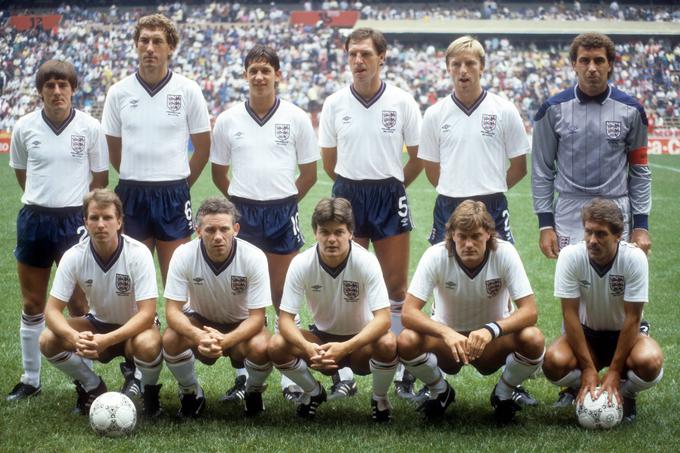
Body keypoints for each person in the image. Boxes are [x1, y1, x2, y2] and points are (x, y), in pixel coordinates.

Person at [318, 27, 422, 399]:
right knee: (346, 286)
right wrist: (353, 189)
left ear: (382, 57)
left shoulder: (402, 101)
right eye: (352, 55)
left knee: (396, 287)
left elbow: (418, 155)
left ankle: (400, 372)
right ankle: (342, 372)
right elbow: (329, 163)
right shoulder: (334, 104)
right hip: (347, 196)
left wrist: (393, 185)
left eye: (365, 54)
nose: (358, 61)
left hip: (389, 195)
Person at [211, 44, 318, 403]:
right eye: (253, 70)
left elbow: (309, 173)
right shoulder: (228, 120)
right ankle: (243, 375)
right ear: (245, 75)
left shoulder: (296, 117)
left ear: (278, 75)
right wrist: (242, 202)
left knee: (283, 295)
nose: (259, 76)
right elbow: (217, 172)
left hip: (282, 212)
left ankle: (290, 375)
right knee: (242, 296)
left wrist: (285, 200)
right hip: (242, 212)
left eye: (266, 70)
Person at [7, 60, 108, 402]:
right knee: (33, 302)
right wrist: (44, 199)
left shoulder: (90, 127)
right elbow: (22, 173)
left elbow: (100, 178)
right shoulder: (24, 127)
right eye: (49, 85)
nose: (56, 91)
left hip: (74, 223)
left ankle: (85, 380)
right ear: (41, 91)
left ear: (73, 89)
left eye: (63, 85)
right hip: (35, 219)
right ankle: (31, 378)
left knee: (79, 302)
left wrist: (76, 209)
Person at [398, 200, 545, 423]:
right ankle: (440, 391)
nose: (468, 244)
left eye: (475, 236)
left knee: (533, 338)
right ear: (451, 235)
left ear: (488, 234)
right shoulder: (436, 255)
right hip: (449, 346)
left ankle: (503, 394)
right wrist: (446, 333)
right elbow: (408, 312)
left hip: (491, 343)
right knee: (407, 340)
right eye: (462, 236)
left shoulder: (504, 253)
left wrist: (491, 330)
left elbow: (530, 311)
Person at [101, 13, 211, 284]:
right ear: (136, 45)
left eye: (157, 42)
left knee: (177, 279)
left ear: (170, 47)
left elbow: (203, 148)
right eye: (144, 41)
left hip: (173, 194)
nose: (150, 48)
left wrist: (181, 184)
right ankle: (142, 325)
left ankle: (178, 326)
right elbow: (113, 148)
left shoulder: (188, 89)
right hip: (131, 193)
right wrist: (136, 173)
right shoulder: (119, 92)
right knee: (128, 279)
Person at [268, 198, 398, 422]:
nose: (331, 239)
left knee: (387, 342)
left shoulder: (366, 261)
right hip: (322, 342)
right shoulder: (301, 263)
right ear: (315, 232)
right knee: (277, 344)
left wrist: (346, 347)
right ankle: (313, 392)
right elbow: (286, 319)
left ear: (350, 232)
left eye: (338, 232)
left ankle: (380, 399)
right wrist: (308, 348)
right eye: (324, 232)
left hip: (360, 343)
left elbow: (384, 319)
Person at [38, 189, 162, 416]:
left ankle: (148, 390)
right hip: (97, 324)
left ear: (119, 221)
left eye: (107, 217)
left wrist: (107, 340)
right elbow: (52, 311)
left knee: (149, 345)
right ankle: (92, 385)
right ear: (85, 222)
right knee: (48, 339)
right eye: (94, 218)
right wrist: (74, 337)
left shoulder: (138, 253)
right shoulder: (74, 255)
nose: (101, 224)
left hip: (136, 328)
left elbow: (147, 313)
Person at [542, 198, 663, 422]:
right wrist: (588, 368)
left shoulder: (634, 258)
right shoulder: (570, 256)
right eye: (588, 232)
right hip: (587, 334)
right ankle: (582, 387)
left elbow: (633, 318)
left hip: (626, 334)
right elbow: (569, 314)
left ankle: (626, 393)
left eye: (601, 234)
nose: (592, 240)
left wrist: (615, 371)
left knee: (650, 362)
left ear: (618, 235)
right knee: (552, 362)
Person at [532, 32, 651, 258]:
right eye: (585, 60)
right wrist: (545, 224)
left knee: (616, 285)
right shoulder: (551, 110)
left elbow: (640, 171)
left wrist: (641, 226)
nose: (592, 67)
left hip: (616, 208)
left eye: (599, 60)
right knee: (573, 286)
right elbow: (542, 170)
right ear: (574, 65)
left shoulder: (632, 111)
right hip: (569, 210)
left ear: (611, 65)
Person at [162, 197, 273, 419]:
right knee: (171, 339)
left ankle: (253, 391)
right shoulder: (184, 254)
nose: (218, 237)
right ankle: (190, 391)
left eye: (224, 229)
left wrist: (225, 341)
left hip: (242, 323)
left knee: (262, 346)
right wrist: (198, 335)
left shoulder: (254, 256)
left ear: (236, 229)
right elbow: (172, 311)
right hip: (200, 320)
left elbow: (257, 317)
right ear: (198, 231)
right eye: (210, 230)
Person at [419, 36, 529, 245]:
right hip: (448, 204)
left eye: (470, 63)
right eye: (456, 64)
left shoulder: (504, 110)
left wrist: (492, 186)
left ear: (482, 67)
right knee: (446, 272)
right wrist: (454, 188)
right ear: (448, 68)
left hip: (492, 205)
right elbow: (431, 169)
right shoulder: (434, 114)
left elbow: (519, 167)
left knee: (498, 270)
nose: (463, 70)